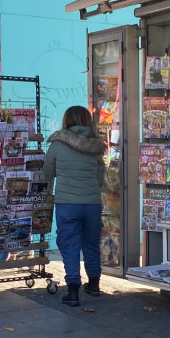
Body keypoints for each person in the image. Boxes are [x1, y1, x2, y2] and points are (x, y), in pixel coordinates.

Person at [43, 105, 106, 306]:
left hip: (67, 203)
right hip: (92, 203)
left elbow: (47, 173)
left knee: (69, 245)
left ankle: (72, 290)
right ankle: (94, 285)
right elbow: (100, 177)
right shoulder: (96, 147)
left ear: (67, 121)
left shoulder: (57, 144)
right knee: (91, 243)